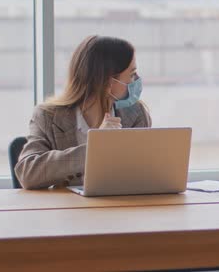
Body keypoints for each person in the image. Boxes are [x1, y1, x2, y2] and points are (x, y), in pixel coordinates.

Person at [16, 35, 151, 189]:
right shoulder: (47, 116)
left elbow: (142, 176)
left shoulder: (136, 113)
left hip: (121, 208)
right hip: (67, 211)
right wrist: (95, 147)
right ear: (108, 81)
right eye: (132, 74)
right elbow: (27, 173)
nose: (137, 80)